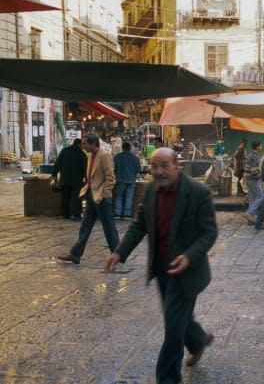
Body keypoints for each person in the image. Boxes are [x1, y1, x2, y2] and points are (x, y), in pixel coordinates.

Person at [103, 147, 218, 384]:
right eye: (154, 166)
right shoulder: (151, 192)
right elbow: (139, 225)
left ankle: (167, 378)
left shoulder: (198, 193)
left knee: (173, 327)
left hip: (188, 270)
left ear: (177, 165)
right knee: (176, 317)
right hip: (162, 268)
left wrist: (188, 256)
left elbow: (209, 233)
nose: (158, 171)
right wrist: (119, 252)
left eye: (164, 165)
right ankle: (197, 340)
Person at [58, 134, 119, 264]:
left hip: (101, 197)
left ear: (93, 144)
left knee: (109, 228)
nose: (83, 146)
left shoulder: (104, 156)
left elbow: (111, 178)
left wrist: (104, 194)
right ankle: (76, 254)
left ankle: (117, 254)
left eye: (85, 143)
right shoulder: (90, 156)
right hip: (91, 194)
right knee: (85, 225)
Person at [114, 142, 142, 219]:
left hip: (120, 180)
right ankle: (127, 214)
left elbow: (113, 169)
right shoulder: (135, 158)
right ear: (129, 148)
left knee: (119, 197)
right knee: (128, 197)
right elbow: (138, 169)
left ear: (122, 148)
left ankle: (117, 213)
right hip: (131, 180)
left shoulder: (117, 157)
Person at [242, 141, 263, 224]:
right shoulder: (254, 156)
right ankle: (249, 212)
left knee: (252, 198)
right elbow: (254, 171)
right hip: (253, 179)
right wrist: (260, 176)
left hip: (249, 179)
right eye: (260, 146)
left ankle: (251, 220)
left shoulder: (251, 155)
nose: (261, 148)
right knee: (261, 196)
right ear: (257, 147)